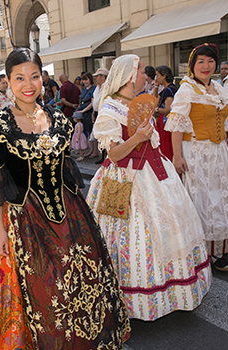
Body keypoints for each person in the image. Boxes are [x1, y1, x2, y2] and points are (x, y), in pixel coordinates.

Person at [0, 47, 130, 349]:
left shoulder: (59, 119)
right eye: (19, 78)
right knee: (44, 288)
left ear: (42, 79)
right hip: (23, 219)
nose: (28, 84)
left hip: (69, 216)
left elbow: (67, 170)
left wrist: (83, 213)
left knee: (79, 282)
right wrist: (1, 231)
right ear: (7, 80)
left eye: (34, 76)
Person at [86, 54, 211, 321]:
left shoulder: (138, 103)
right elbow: (115, 155)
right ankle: (133, 297)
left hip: (156, 174)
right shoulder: (109, 109)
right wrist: (139, 138)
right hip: (125, 181)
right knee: (130, 237)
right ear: (130, 76)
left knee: (171, 227)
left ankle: (172, 290)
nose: (146, 75)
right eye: (142, 70)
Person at [165, 43, 228, 271]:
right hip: (196, 152)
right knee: (202, 199)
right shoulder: (187, 89)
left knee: (221, 198)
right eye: (200, 61)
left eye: (210, 61)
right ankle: (202, 251)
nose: (206, 66)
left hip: (219, 152)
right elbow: (176, 126)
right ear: (192, 65)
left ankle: (219, 249)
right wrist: (177, 156)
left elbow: (224, 123)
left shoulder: (219, 88)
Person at [153, 65, 178, 161]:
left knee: (166, 148)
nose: (156, 78)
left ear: (164, 76)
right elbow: (155, 100)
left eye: (158, 75)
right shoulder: (166, 89)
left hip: (166, 122)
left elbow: (168, 109)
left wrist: (156, 110)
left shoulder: (169, 90)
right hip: (163, 121)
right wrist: (156, 86)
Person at [90, 68, 108, 161]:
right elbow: (95, 101)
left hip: (104, 113)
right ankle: (102, 157)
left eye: (97, 76)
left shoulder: (107, 87)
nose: (96, 78)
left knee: (105, 135)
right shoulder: (97, 88)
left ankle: (105, 157)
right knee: (100, 136)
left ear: (103, 77)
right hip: (97, 112)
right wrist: (93, 112)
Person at [74, 72, 95, 140]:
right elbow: (81, 100)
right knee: (85, 131)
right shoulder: (84, 89)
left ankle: (94, 149)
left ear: (90, 79)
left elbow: (92, 103)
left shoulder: (93, 88)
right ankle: (89, 148)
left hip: (89, 112)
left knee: (91, 131)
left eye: (86, 80)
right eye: (83, 80)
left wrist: (83, 110)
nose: (84, 82)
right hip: (83, 112)